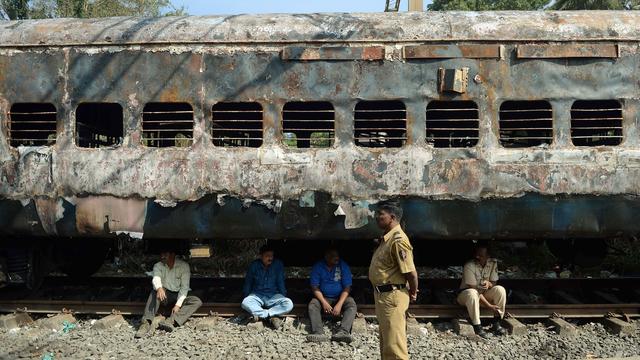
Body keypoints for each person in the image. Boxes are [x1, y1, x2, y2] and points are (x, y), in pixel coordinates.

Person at [368, 200, 418, 360]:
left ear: (392, 217)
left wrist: (413, 291)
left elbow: (411, 273)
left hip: (392, 296)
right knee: (387, 343)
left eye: (380, 214)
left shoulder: (398, 240)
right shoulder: (387, 238)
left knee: (395, 346)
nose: (377, 217)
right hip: (384, 296)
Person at [135, 250, 202, 338]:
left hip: (178, 295)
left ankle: (171, 321)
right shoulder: (158, 265)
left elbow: (184, 287)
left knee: (196, 301)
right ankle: (146, 323)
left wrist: (178, 305)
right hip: (165, 295)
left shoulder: (183, 266)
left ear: (172, 255)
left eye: (165, 254)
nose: (162, 256)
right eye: (161, 254)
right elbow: (156, 278)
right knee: (154, 292)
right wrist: (159, 288)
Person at [307, 245, 357, 343]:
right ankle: (318, 333)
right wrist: (323, 302)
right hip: (324, 297)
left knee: (351, 304)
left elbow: (347, 287)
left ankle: (343, 332)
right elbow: (314, 287)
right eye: (333, 255)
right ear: (326, 257)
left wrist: (339, 304)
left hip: (340, 297)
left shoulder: (343, 265)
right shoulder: (318, 266)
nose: (336, 258)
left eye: (337, 255)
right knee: (313, 304)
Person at [457, 244, 508, 338]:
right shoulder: (469, 265)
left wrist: (489, 284)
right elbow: (474, 289)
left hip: (483, 294)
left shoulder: (493, 263)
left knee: (500, 290)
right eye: (477, 254)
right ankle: (477, 326)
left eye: (481, 255)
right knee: (472, 293)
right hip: (466, 296)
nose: (477, 257)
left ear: (488, 256)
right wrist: (489, 306)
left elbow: (494, 282)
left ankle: (496, 322)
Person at [241, 244, 294, 329]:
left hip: (273, 295)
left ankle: (263, 315)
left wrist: (283, 295)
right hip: (257, 295)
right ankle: (270, 315)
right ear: (260, 256)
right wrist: (246, 295)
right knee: (245, 302)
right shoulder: (254, 265)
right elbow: (248, 282)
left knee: (289, 303)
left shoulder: (278, 264)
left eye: (272, 256)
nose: (270, 258)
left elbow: (280, 282)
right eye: (267, 256)